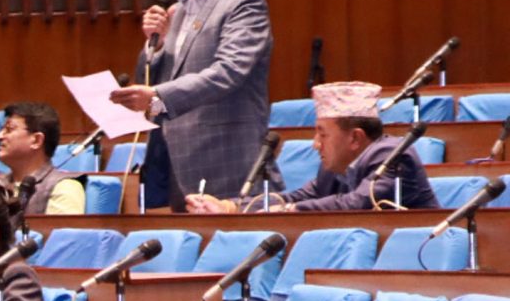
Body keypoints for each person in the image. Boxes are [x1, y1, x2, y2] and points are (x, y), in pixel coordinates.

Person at [111, 0, 274, 212]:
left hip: (226, 160)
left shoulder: (242, 1)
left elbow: (228, 72)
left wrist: (158, 96)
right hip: (176, 163)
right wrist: (157, 43)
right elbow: (153, 84)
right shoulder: (179, 10)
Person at [186, 81, 439, 214]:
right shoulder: (333, 169)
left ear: (355, 138)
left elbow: (355, 204)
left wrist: (289, 211)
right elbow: (294, 198)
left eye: (322, 134)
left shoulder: (394, 156)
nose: (315, 144)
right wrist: (230, 207)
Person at [0, 102, 87, 215]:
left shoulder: (64, 187)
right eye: (1, 130)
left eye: (9, 130)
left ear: (37, 140)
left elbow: (61, 227)